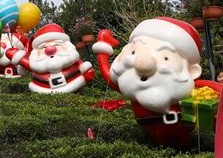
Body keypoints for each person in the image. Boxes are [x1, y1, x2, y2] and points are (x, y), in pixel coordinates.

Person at [93, 17, 223, 146]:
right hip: (151, 133)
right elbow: (110, 77)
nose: (143, 63)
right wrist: (102, 54)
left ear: (192, 71)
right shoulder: (128, 80)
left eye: (165, 58)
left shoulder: (191, 86)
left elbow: (217, 90)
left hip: (183, 130)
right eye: (134, 52)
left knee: (184, 144)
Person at [6, 24, 95, 94]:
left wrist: (86, 70)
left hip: (74, 83)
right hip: (41, 88)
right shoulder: (36, 63)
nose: (50, 49)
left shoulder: (71, 57)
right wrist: (19, 58)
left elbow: (85, 68)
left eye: (57, 44)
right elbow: (28, 65)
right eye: (43, 47)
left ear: (67, 45)